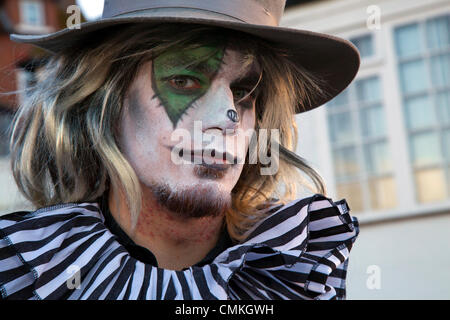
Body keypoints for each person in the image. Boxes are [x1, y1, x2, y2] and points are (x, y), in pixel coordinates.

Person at [0, 0, 359, 300]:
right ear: (106, 103)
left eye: (246, 91)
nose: (227, 118)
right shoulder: (29, 272)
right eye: (184, 80)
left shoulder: (290, 275)